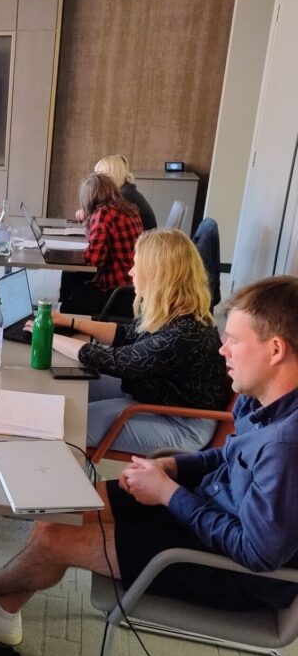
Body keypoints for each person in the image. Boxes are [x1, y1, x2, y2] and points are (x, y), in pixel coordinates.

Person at [0, 275, 298, 647]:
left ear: (274, 350)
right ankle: (1, 612)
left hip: (227, 568)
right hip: (206, 510)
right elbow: (228, 455)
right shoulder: (264, 399)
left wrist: (168, 493)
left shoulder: (287, 445)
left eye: (235, 342)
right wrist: (172, 469)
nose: (224, 350)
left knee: (56, 539)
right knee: (62, 510)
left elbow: (257, 553)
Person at [49, 229, 229, 453]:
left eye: (137, 265)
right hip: (154, 395)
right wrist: (70, 322)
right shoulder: (174, 311)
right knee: (69, 384)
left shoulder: (183, 334)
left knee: (69, 426)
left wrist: (48, 337)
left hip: (182, 424)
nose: (131, 271)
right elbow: (124, 334)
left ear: (157, 273)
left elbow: (115, 360)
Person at [60, 172, 143, 316]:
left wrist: (70, 255)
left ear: (89, 197)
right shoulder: (128, 208)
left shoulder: (104, 213)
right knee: (71, 276)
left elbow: (93, 259)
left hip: (118, 292)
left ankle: (67, 318)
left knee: (68, 305)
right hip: (134, 287)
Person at [94, 154, 157, 231]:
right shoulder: (127, 191)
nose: (97, 181)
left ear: (112, 175)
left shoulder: (124, 196)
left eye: (100, 176)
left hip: (143, 241)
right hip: (145, 239)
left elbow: (104, 221)